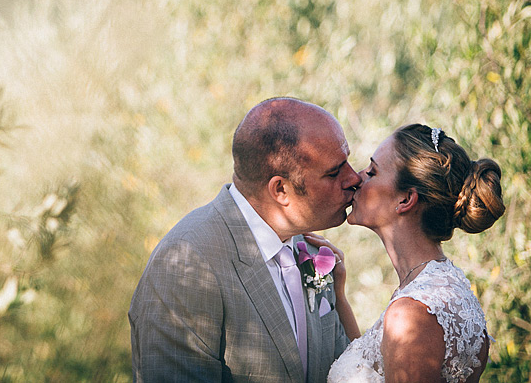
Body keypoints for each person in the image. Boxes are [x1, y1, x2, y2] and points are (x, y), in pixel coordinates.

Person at [129, 97, 361, 382]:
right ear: (280, 190)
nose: (354, 178)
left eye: (347, 162)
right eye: (334, 172)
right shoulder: (186, 265)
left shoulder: (313, 253)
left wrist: (339, 298)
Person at [326, 124, 506, 383]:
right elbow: (373, 368)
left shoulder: (411, 313)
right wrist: (339, 298)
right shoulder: (447, 291)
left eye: (372, 171)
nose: (357, 178)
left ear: (405, 199)